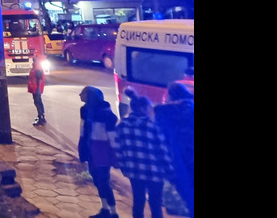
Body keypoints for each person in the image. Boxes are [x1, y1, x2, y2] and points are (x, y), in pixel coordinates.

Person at [115, 89, 174, 218]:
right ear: (145, 108)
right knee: (155, 203)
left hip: (134, 172)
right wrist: (170, 172)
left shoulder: (122, 125)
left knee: (138, 201)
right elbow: (162, 152)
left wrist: (124, 168)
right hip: (155, 172)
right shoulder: (153, 126)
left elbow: (118, 150)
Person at [78, 86, 120, 218]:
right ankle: (105, 209)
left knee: (103, 181)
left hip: (102, 151)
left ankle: (113, 213)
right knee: (96, 179)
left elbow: (112, 136)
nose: (80, 96)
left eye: (83, 94)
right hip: (91, 149)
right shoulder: (85, 111)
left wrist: (115, 154)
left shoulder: (105, 114)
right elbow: (83, 131)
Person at [154, 81, 194, 218]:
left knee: (186, 190)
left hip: (175, 158)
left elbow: (159, 137)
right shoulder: (192, 109)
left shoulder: (163, 112)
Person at [28, 53, 46, 126]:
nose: (33, 59)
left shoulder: (37, 68)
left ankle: (41, 118)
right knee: (38, 102)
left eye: (35, 58)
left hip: (36, 88)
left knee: (37, 102)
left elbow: (39, 79)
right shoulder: (36, 67)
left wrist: (38, 89)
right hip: (35, 88)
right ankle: (41, 117)